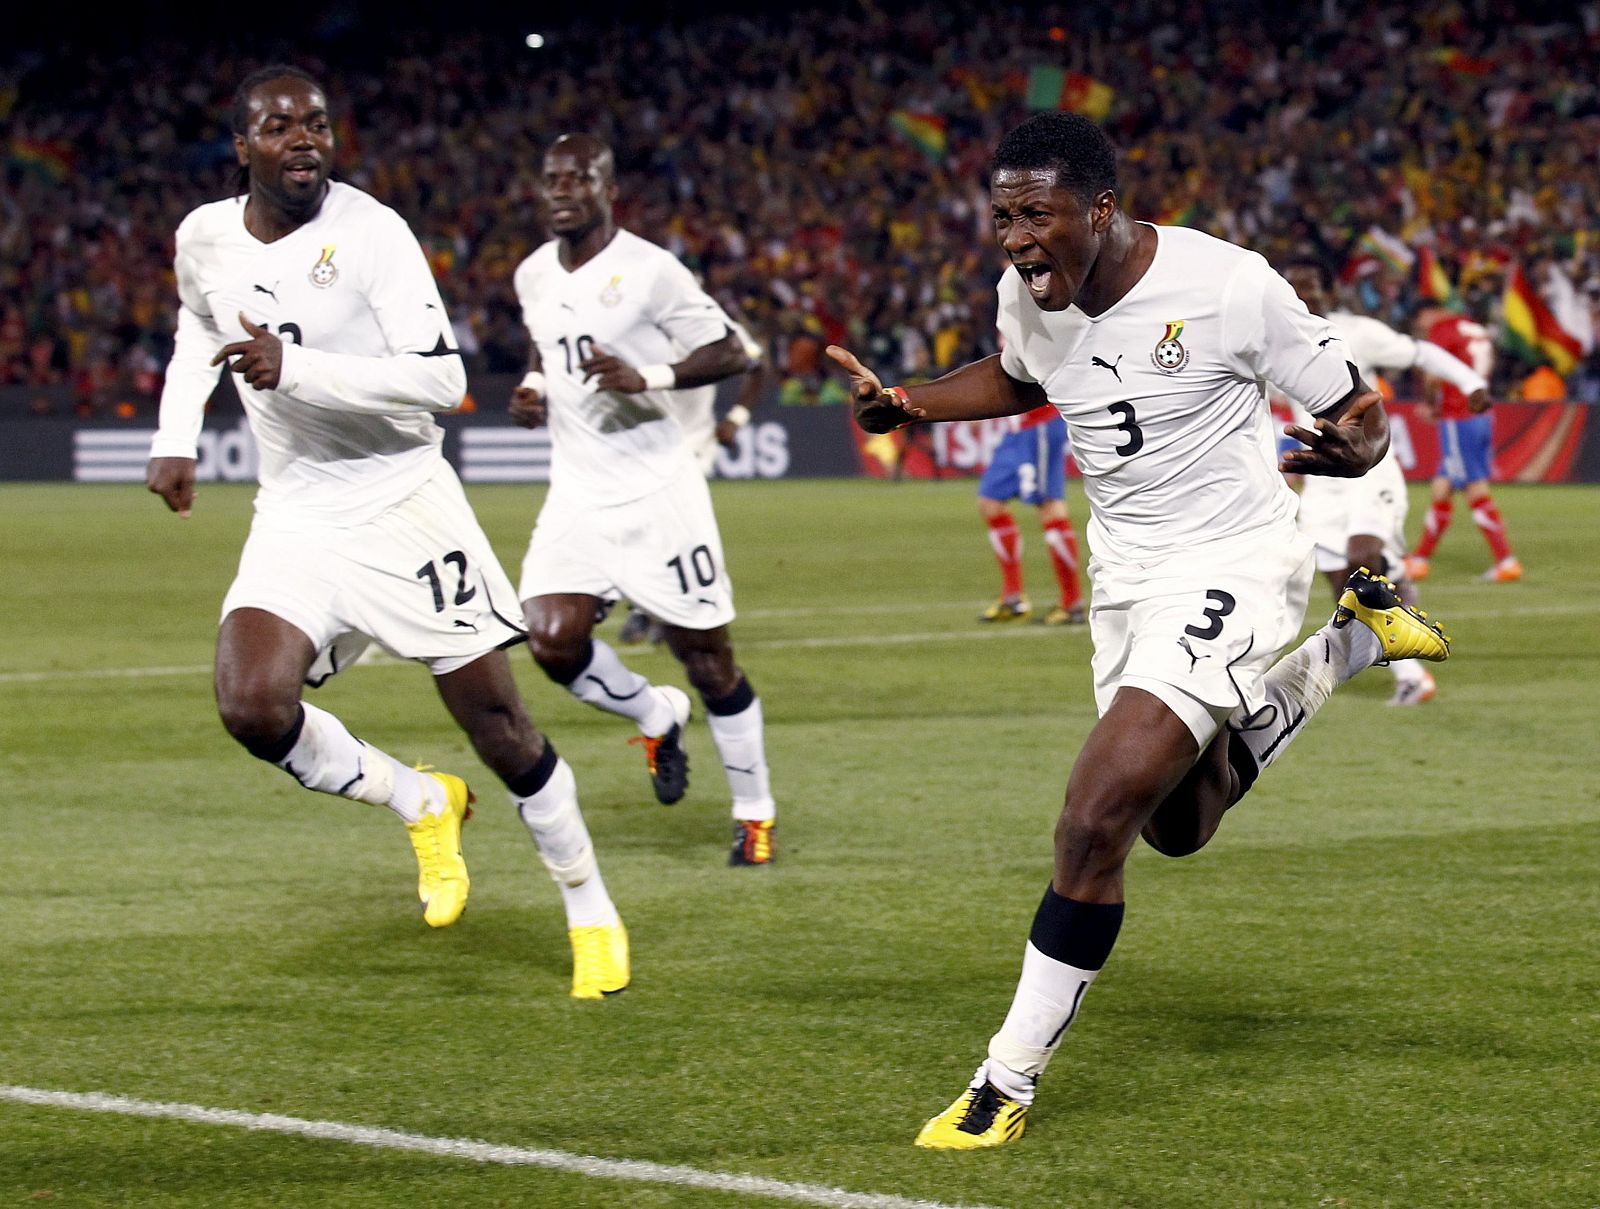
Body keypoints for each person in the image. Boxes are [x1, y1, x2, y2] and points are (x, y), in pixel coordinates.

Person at [825, 112, 1450, 1149]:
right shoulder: (1030, 294)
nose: (1016, 238)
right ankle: (1354, 638)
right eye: (1001, 218)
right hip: (1127, 576)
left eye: (1036, 215)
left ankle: (1003, 1083)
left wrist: (1353, 448)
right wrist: (906, 402)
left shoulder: (1227, 284)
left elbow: (1354, 404)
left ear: (1100, 210)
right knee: (1175, 824)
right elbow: (1021, 377)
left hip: (1234, 561)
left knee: (1093, 812)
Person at [145, 67, 629, 1000]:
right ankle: (418, 798)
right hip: (297, 509)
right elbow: (190, 325)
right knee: (252, 705)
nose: (304, 139)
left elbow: (440, 381)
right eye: (279, 126)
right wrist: (176, 438)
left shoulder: (373, 234)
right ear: (241, 146)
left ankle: (589, 906)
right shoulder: (204, 236)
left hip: (404, 499)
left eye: (317, 123)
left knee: (499, 727)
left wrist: (299, 368)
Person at [508, 134, 777, 867]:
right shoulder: (532, 273)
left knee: (708, 659)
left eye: (578, 178)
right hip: (578, 490)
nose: (561, 189)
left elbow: (731, 352)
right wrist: (533, 389)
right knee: (549, 638)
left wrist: (648, 377)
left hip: (659, 488)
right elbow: (543, 343)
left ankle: (755, 813)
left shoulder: (651, 270)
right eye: (551, 178)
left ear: (606, 188)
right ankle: (652, 712)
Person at [1281, 261, 1487, 706]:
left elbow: (1420, 353)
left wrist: (1470, 381)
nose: (1304, 293)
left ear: (1328, 289)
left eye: (1312, 284)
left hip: (1370, 468)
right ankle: (1410, 671)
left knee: (1363, 555)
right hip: (1323, 480)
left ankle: (1394, 586)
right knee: (1343, 584)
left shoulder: (1356, 331)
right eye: (1294, 287)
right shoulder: (1270, 340)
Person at [617, 310, 768, 647]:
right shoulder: (631, 325)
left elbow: (758, 368)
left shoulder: (717, 326)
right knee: (643, 526)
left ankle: (666, 609)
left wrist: (737, 417)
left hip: (694, 443)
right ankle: (653, 606)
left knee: (672, 524)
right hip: (645, 445)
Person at [1406, 308, 1522, 583]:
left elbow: (1434, 375)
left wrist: (1431, 404)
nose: (1421, 327)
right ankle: (1420, 559)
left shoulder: (1441, 330)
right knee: (1442, 486)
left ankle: (1506, 560)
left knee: (1473, 487)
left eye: (1419, 320)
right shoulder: (1474, 328)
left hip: (1459, 417)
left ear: (1427, 312)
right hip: (1481, 413)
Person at [975, 404, 1085, 626]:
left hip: (1040, 420)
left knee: (1048, 505)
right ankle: (1013, 599)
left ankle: (1072, 603)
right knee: (990, 502)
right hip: (1016, 426)